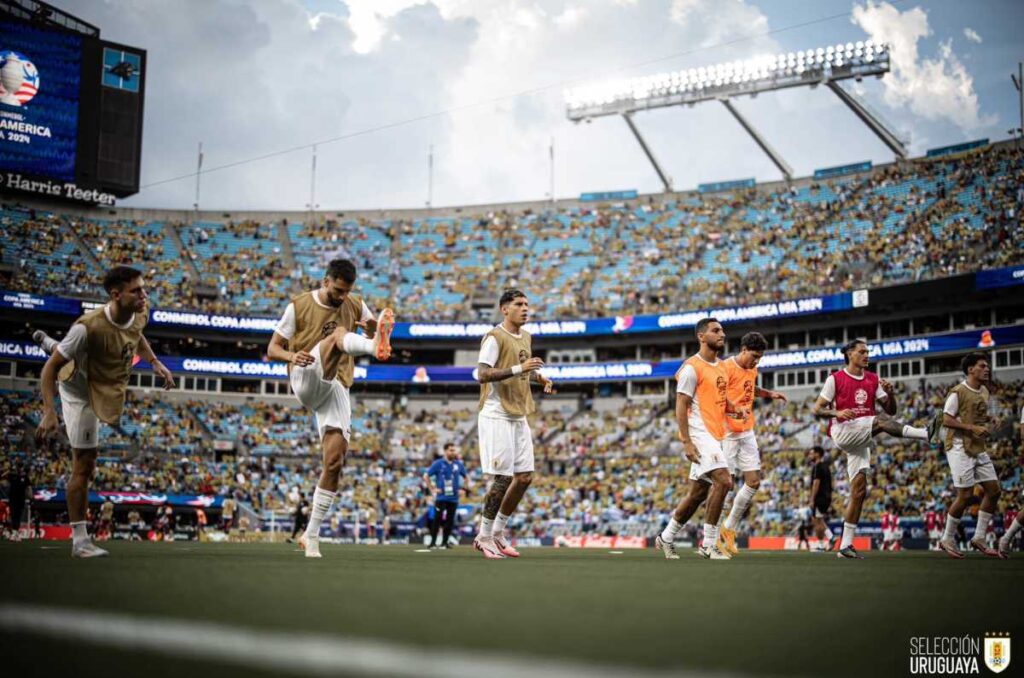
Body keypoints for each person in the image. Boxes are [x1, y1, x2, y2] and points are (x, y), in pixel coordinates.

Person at [34, 266, 176, 558]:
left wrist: (154, 362)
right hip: (79, 392)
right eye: (136, 290)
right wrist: (49, 411)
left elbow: (136, 335)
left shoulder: (138, 313)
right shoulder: (88, 327)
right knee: (85, 464)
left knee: (65, 352)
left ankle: (50, 343)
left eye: (143, 288)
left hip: (103, 381)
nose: (143, 294)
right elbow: (50, 370)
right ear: (115, 295)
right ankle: (80, 541)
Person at [267, 258, 394, 559]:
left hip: (336, 385)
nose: (341, 297)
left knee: (335, 462)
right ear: (326, 281)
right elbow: (272, 348)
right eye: (337, 290)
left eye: (347, 291)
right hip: (305, 374)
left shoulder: (354, 303)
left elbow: (373, 325)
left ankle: (310, 536)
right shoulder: (298, 305)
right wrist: (290, 356)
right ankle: (371, 349)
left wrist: (375, 328)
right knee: (337, 335)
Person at [812, 339, 942, 559]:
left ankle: (845, 546)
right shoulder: (835, 379)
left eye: (867, 352)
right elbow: (817, 408)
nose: (866, 355)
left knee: (859, 490)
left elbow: (891, 410)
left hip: (862, 434)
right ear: (850, 354)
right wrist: (837, 413)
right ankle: (925, 434)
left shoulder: (873, 379)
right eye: (862, 352)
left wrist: (890, 394)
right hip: (843, 431)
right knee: (879, 421)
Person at [473, 289, 554, 559]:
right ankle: (483, 537)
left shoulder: (527, 337)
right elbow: (482, 374)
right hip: (496, 413)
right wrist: (522, 369)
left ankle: (497, 532)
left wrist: (537, 378)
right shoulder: (494, 337)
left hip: (518, 413)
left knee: (525, 477)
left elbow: (519, 372)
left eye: (527, 304)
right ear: (504, 309)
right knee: (503, 478)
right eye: (519, 304)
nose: (525, 308)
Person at [656, 317, 742, 561]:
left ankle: (666, 537)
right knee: (724, 481)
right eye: (716, 331)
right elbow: (681, 405)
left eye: (723, 330)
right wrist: (686, 441)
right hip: (700, 434)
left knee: (697, 494)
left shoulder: (722, 366)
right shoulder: (691, 368)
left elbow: (721, 398)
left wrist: (734, 408)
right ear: (701, 336)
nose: (722, 334)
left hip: (716, 433)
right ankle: (709, 544)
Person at [717, 331, 787, 556]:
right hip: (727, 433)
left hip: (747, 431)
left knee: (754, 482)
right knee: (724, 485)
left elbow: (749, 389)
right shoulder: (725, 368)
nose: (757, 361)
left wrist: (769, 394)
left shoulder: (752, 368)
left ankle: (728, 529)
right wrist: (733, 409)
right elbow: (717, 396)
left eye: (760, 357)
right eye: (754, 356)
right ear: (744, 349)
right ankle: (713, 535)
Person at [937, 352, 1003, 559]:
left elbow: (976, 413)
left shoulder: (983, 390)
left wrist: (991, 417)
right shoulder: (957, 392)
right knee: (965, 496)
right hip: (958, 446)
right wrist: (971, 427)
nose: (987, 369)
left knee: (994, 491)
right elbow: (946, 420)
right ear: (970, 369)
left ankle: (979, 537)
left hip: (977, 446)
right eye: (982, 366)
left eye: (987, 366)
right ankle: (947, 538)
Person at [425, 443, 467, 549]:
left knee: (450, 521)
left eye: (454, 450)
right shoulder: (438, 463)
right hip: (441, 497)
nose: (453, 452)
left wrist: (463, 489)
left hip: (453, 498)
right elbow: (426, 476)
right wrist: (432, 489)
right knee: (437, 520)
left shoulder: (458, 464)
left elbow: (466, 477)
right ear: (445, 451)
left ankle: (445, 542)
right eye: (451, 450)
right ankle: (433, 543)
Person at [808, 446, 834, 551]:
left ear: (817, 454)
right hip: (826, 497)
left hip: (819, 497)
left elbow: (816, 483)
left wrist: (812, 499)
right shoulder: (826, 466)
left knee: (816, 520)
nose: (810, 455)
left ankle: (821, 545)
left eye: (812, 453)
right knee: (819, 519)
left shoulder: (817, 467)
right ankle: (831, 537)